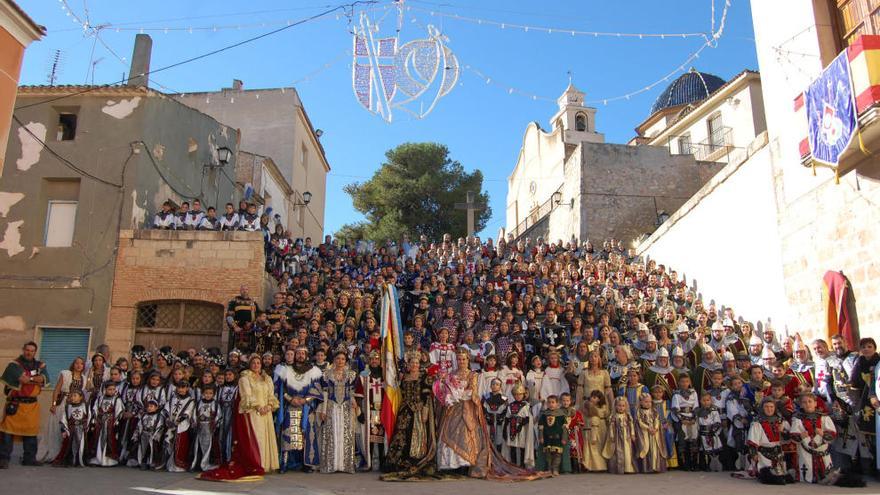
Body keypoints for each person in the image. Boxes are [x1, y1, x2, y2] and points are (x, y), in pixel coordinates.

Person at [199, 354, 279, 481]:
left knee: (264, 437)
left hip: (266, 412)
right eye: (254, 363)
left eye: (258, 363)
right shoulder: (245, 378)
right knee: (255, 437)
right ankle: (255, 463)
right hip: (253, 412)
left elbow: (271, 394)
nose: (256, 365)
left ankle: (265, 463)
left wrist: (269, 406)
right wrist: (258, 407)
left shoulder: (266, 378)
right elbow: (246, 395)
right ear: (250, 365)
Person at [382, 351, 436, 479]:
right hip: (405, 409)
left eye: (417, 362)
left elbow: (427, 394)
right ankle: (398, 461)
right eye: (412, 362)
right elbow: (399, 392)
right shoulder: (404, 377)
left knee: (416, 435)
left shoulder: (424, 376)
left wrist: (426, 410)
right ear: (409, 364)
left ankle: (415, 460)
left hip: (418, 409)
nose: (415, 365)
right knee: (401, 434)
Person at [0, 341, 49, 468]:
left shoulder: (40, 364)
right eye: (27, 350)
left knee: (31, 433)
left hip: (31, 406)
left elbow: (44, 378)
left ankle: (29, 458)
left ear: (35, 352)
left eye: (32, 351)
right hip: (15, 404)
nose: (29, 352)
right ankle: (3, 459)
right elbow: (22, 379)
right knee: (7, 433)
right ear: (23, 350)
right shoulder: (14, 365)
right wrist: (34, 378)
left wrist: (32, 379)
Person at [274, 346, 322, 472]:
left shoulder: (313, 371)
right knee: (287, 434)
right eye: (298, 353)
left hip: (306, 407)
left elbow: (316, 389)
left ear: (306, 355)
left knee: (305, 436)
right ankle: (284, 462)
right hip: (290, 406)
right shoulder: (286, 369)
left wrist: (304, 400)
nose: (300, 355)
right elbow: (280, 388)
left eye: (303, 353)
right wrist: (290, 399)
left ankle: (306, 464)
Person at [317, 351, 359, 474]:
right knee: (332, 433)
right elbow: (325, 393)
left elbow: (351, 391)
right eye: (338, 358)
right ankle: (331, 464)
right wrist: (323, 409)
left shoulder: (351, 374)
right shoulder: (326, 374)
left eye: (343, 359)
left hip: (345, 407)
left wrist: (353, 401)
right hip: (331, 406)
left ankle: (345, 465)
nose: (340, 361)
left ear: (346, 361)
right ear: (334, 360)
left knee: (345, 433)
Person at [38, 356, 85, 462]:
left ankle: (64, 453)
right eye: (77, 363)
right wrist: (54, 404)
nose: (79, 365)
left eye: (81, 364)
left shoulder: (84, 378)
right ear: (73, 364)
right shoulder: (66, 374)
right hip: (62, 403)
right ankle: (53, 453)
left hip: (74, 407)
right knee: (56, 428)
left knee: (69, 430)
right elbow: (57, 390)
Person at [748, 398, 791, 484]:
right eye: (766, 407)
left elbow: (788, 439)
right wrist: (753, 454)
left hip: (778, 453)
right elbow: (752, 440)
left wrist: (782, 431)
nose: (769, 409)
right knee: (767, 475)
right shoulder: (757, 422)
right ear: (762, 408)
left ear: (775, 408)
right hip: (763, 454)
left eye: (771, 407)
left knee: (783, 476)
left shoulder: (781, 421)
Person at [163, 379, 195, 472]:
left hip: (182, 426)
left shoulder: (190, 400)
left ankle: (179, 464)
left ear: (187, 388)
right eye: (179, 387)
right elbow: (166, 409)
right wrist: (168, 419)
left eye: (183, 388)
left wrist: (179, 421)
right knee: (169, 443)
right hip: (171, 424)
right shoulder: (173, 399)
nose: (181, 390)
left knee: (181, 445)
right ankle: (169, 463)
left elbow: (188, 412)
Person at [51, 389, 89, 467]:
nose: (72, 398)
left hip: (82, 430)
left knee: (81, 445)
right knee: (69, 445)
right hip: (71, 430)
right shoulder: (68, 407)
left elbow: (89, 417)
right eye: (71, 396)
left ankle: (80, 461)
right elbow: (64, 419)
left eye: (75, 396)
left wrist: (87, 427)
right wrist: (64, 430)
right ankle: (70, 461)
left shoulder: (85, 406)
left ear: (81, 397)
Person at [90, 380, 124, 466]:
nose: (112, 391)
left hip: (110, 423)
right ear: (105, 389)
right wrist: (94, 420)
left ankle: (109, 460)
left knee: (109, 440)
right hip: (100, 422)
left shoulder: (117, 399)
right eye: (109, 389)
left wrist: (116, 423)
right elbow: (95, 409)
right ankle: (97, 459)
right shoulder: (100, 398)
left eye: (113, 389)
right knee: (97, 439)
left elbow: (118, 412)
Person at [191, 383, 222, 472]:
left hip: (209, 428)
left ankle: (206, 464)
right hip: (200, 427)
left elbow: (218, 415)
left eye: (210, 393)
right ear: (202, 393)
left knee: (208, 446)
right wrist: (195, 422)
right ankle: (197, 465)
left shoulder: (215, 404)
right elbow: (194, 414)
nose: (208, 395)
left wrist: (214, 425)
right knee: (198, 446)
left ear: (213, 394)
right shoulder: (199, 403)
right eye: (206, 393)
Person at [603, 396, 636, 474]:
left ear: (626, 407)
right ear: (615, 406)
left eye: (623, 406)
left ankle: (628, 468)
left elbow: (631, 425)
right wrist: (611, 435)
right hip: (617, 436)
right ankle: (618, 468)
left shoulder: (628, 416)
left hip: (626, 436)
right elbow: (611, 426)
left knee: (627, 451)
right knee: (617, 452)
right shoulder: (613, 416)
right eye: (619, 406)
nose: (621, 408)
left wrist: (632, 434)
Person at [503, 383, 533, 468]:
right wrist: (505, 430)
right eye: (516, 394)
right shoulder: (510, 405)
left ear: (523, 395)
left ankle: (522, 465)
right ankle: (513, 464)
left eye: (520, 394)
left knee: (522, 446)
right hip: (511, 428)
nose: (518, 396)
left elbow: (527, 418)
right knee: (513, 447)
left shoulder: (526, 405)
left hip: (522, 429)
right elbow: (507, 418)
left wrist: (520, 426)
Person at [635, 392, 667, 473]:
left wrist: (655, 428)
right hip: (645, 432)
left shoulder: (654, 410)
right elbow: (639, 422)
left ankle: (656, 467)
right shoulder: (639, 411)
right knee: (646, 448)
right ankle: (647, 468)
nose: (648, 403)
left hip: (654, 433)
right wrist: (648, 428)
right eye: (646, 402)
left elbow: (657, 420)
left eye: (649, 402)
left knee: (655, 449)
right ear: (641, 402)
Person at [538, 395, 567, 476]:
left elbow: (564, 428)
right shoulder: (544, 414)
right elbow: (541, 427)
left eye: (553, 402)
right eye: (549, 402)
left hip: (557, 438)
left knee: (557, 455)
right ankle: (549, 469)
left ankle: (555, 469)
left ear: (557, 404)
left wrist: (564, 438)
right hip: (547, 438)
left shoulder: (561, 415)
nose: (551, 404)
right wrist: (541, 437)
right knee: (548, 455)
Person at [694, 392, 723, 471]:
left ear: (711, 401)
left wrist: (714, 431)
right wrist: (697, 433)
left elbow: (717, 422)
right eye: (704, 400)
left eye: (708, 400)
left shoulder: (714, 411)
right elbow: (697, 423)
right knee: (704, 450)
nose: (706, 402)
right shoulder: (698, 412)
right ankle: (705, 466)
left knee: (713, 450)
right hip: (702, 433)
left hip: (711, 433)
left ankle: (714, 466)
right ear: (700, 401)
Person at [133, 399, 165, 470]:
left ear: (156, 407)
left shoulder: (159, 416)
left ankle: (153, 463)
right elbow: (139, 425)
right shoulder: (144, 415)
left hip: (153, 435)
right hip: (144, 435)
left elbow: (160, 427)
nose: (149, 408)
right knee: (143, 449)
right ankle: (143, 462)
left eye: (151, 406)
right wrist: (136, 434)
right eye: (148, 406)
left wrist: (156, 436)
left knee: (152, 449)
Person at [582, 390, 608, 472]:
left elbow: (600, 414)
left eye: (594, 397)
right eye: (591, 397)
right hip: (592, 428)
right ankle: (592, 465)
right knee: (593, 447)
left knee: (599, 446)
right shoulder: (588, 407)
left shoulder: (602, 408)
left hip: (599, 427)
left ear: (599, 399)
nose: (591, 399)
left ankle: (600, 465)